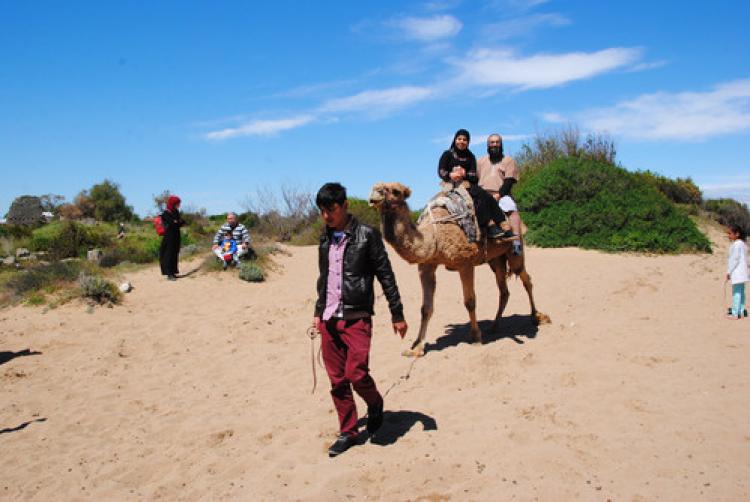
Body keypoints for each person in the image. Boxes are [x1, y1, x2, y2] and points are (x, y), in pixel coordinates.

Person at [313, 182, 408, 457]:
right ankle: (349, 431)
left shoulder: (367, 235)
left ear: (344, 206)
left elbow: (385, 274)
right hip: (329, 317)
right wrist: (318, 314)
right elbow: (324, 279)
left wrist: (397, 313)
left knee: (356, 373)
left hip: (357, 316)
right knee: (337, 380)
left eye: (331, 209)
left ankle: (375, 403)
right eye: (322, 211)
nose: (327, 216)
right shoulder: (324, 239)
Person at [438, 129, 512, 240]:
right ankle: (489, 225)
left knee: (485, 195)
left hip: (467, 184)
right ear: (455, 140)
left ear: (468, 142)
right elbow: (441, 170)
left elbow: (473, 175)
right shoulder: (447, 154)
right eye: (459, 139)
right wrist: (451, 174)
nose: (461, 141)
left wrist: (464, 174)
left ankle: (503, 224)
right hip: (450, 184)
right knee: (471, 199)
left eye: (465, 139)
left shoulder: (470, 156)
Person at [477, 133, 523, 255]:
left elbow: (509, 181)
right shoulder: (480, 161)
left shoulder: (508, 160)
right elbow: (474, 180)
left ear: (501, 144)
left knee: (512, 210)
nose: (495, 144)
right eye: (492, 142)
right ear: (488, 145)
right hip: (483, 195)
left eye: (497, 142)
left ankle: (517, 244)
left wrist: (498, 195)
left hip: (502, 194)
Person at [726, 224, 748, 320]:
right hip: (743, 272)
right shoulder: (743, 244)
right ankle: (741, 311)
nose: (729, 235)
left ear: (737, 234)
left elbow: (734, 259)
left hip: (738, 272)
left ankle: (735, 313)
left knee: (736, 293)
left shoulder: (736, 244)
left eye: (730, 233)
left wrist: (729, 272)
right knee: (741, 292)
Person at [159, 195, 184, 281]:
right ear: (173, 203)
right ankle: (169, 274)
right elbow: (173, 224)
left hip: (176, 236)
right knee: (168, 255)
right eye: (178, 203)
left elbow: (179, 222)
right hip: (169, 237)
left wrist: (177, 222)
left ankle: (173, 272)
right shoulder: (166, 213)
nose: (179, 205)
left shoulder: (175, 211)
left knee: (175, 254)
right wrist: (176, 222)